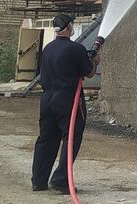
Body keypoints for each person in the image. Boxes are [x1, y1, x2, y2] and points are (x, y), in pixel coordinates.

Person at [31, 13, 98, 193]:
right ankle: (61, 181)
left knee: (46, 139)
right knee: (71, 138)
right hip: (68, 100)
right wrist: (95, 62)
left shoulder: (48, 48)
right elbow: (89, 72)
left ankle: (38, 180)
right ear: (68, 27)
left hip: (47, 100)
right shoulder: (75, 49)